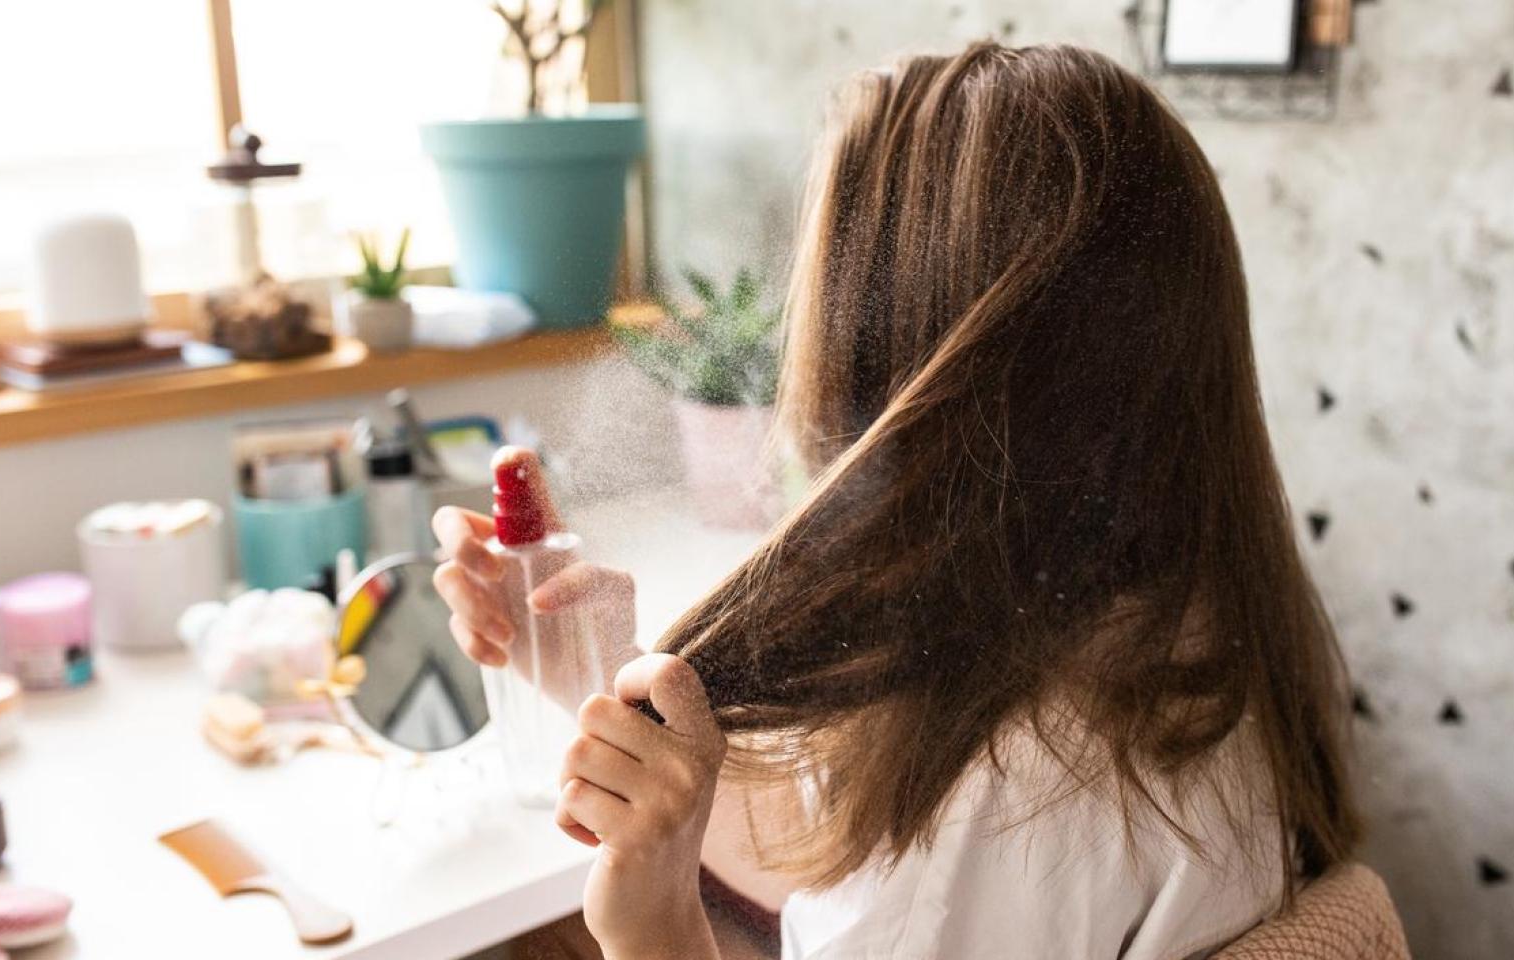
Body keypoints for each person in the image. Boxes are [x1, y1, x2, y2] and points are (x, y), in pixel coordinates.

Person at [433, 40, 1361, 960]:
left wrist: (656, 932)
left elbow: (918, 869)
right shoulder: (1157, 639)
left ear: (904, 354)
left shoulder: (1014, 784)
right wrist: (586, 670)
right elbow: (848, 848)